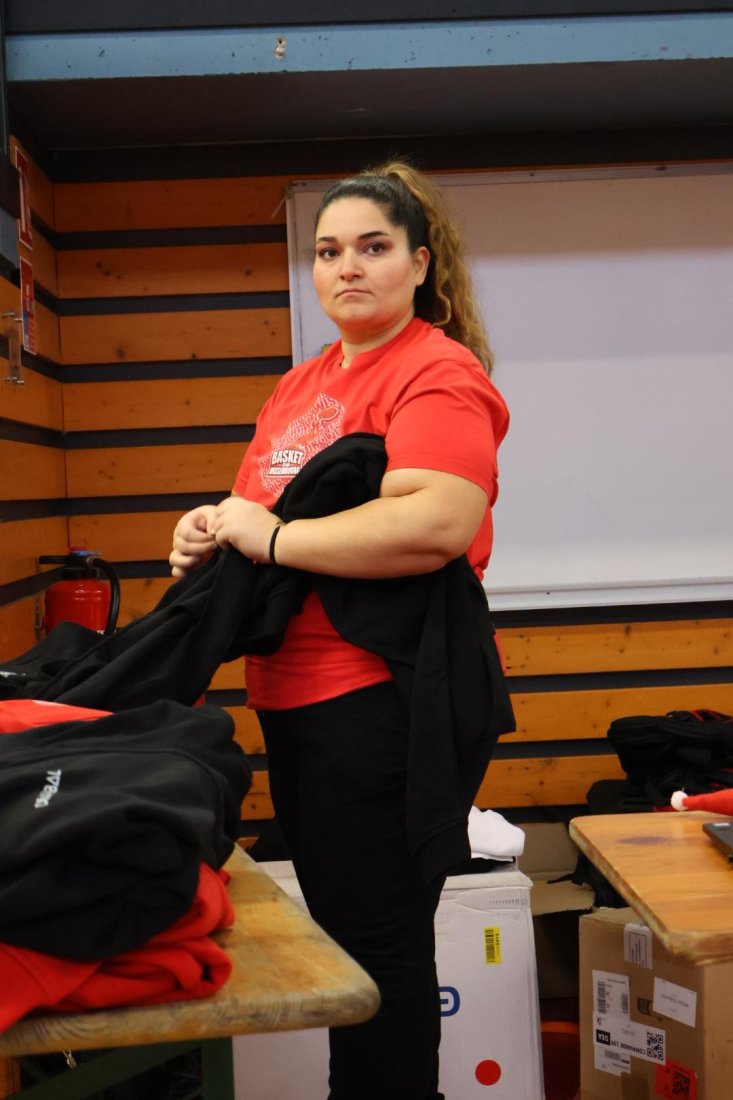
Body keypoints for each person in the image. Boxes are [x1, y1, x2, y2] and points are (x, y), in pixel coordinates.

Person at [170, 161, 510, 1100]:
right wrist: (210, 529)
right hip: (299, 697)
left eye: (372, 247)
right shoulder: (305, 384)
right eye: (327, 251)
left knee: (376, 948)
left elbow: (435, 521)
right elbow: (262, 511)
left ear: (419, 263)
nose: (346, 267)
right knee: (352, 940)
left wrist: (273, 537)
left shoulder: (435, 371)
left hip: (379, 699)